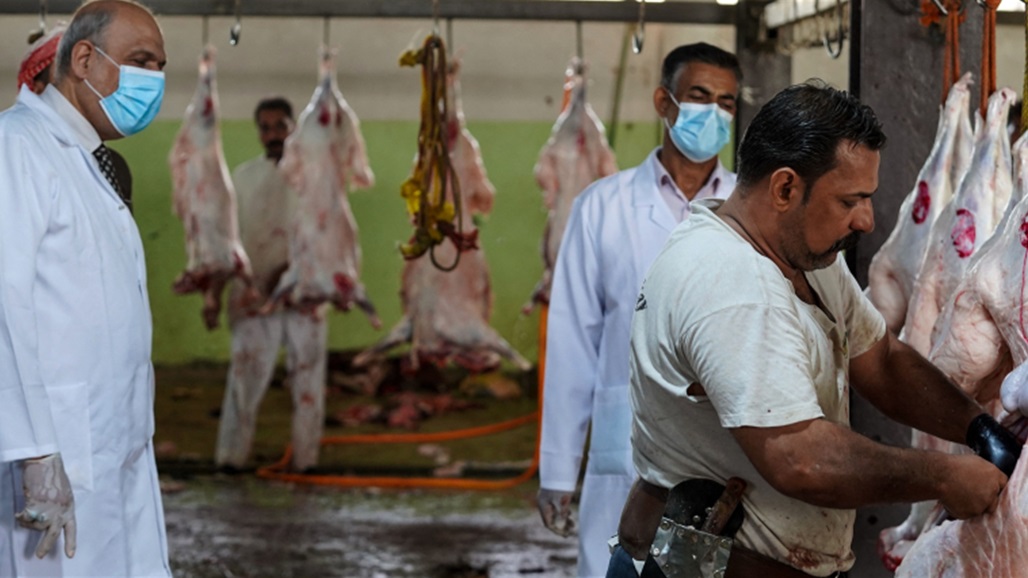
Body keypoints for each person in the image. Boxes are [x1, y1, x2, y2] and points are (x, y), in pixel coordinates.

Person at [608, 81, 1020, 578]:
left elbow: (883, 361)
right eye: (851, 200)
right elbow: (799, 458)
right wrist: (943, 475)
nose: (867, 220)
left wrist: (980, 428)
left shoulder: (804, 254)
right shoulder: (729, 281)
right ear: (785, 188)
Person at [536, 43, 742, 578]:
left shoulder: (751, 208)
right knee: (616, 567)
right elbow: (571, 343)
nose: (713, 113)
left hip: (727, 445)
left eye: (726, 103)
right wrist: (557, 470)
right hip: (625, 444)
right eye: (699, 97)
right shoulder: (602, 208)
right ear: (664, 102)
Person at [0, 1, 171, 576]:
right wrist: (32, 450)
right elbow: (4, 304)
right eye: (140, 61)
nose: (154, 81)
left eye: (160, 67)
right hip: (58, 452)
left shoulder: (87, 160)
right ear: (83, 59)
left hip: (114, 441)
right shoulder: (16, 147)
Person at [203, 97, 329, 474]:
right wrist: (214, 294)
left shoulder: (316, 177)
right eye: (265, 127)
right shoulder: (242, 177)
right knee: (244, 379)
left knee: (308, 382)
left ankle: (306, 463)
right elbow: (227, 241)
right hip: (253, 294)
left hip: (305, 294)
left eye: (280, 126)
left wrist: (294, 272)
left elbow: (329, 236)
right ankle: (231, 461)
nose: (273, 134)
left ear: (294, 128)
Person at [18, 22, 134, 209]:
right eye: (62, 77)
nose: (80, 85)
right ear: (37, 90)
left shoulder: (114, 165)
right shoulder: (21, 154)